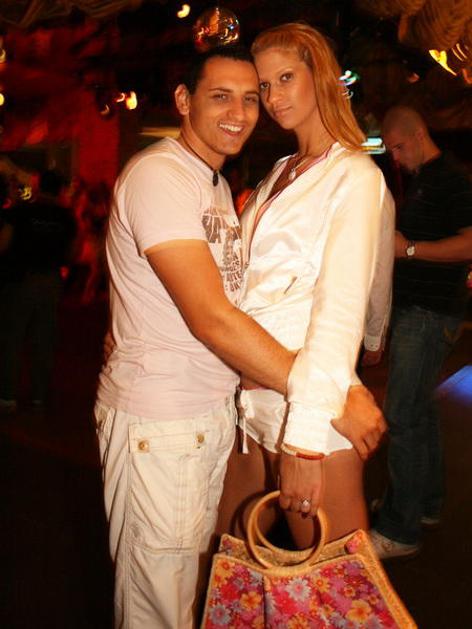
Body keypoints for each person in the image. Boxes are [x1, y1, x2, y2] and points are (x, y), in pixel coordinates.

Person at [95, 44, 385, 629]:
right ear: (184, 101)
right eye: (223, 96)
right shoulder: (169, 175)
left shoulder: (234, 186)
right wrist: (331, 395)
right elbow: (213, 315)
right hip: (178, 420)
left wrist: (314, 410)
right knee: (168, 600)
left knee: (333, 596)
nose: (254, 107)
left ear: (321, 78)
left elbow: (339, 302)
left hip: (234, 415)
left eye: (259, 92)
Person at [216, 22, 394, 549]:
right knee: (228, 561)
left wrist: (305, 442)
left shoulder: (355, 176)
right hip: (251, 407)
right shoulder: (278, 172)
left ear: (320, 76)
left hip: (307, 414)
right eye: (264, 85)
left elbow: (340, 309)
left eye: (286, 78)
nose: (273, 97)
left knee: (337, 584)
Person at [369, 106, 472, 559]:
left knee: (403, 415)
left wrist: (409, 248)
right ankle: (423, 504)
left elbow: (471, 242)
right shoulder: (426, 179)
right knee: (420, 412)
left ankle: (400, 529)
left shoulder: (451, 178)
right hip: (422, 312)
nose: (394, 157)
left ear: (418, 133)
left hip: (430, 314)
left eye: (398, 147)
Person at [0, 169, 76, 413]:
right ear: (60, 190)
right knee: (44, 338)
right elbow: (72, 252)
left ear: (38, 186)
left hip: (21, 279)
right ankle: (38, 395)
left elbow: (3, 244)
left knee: (12, 337)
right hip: (51, 280)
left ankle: (8, 395)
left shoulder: (21, 212)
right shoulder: (66, 217)